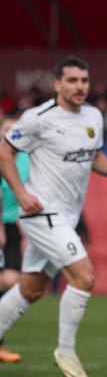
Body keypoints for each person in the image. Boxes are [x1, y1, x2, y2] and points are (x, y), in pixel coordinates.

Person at [0, 56, 107, 377]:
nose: (80, 87)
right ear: (57, 84)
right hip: (40, 211)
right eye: (73, 80)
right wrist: (20, 193)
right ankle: (65, 350)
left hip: (67, 216)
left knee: (32, 288)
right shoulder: (38, 118)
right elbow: (5, 151)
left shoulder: (93, 115)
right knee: (85, 276)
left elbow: (94, 156)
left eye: (84, 81)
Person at [0, 115, 29, 363]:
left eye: (14, 130)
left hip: (14, 227)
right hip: (1, 226)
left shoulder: (27, 159)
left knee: (11, 280)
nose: (10, 134)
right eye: (6, 130)